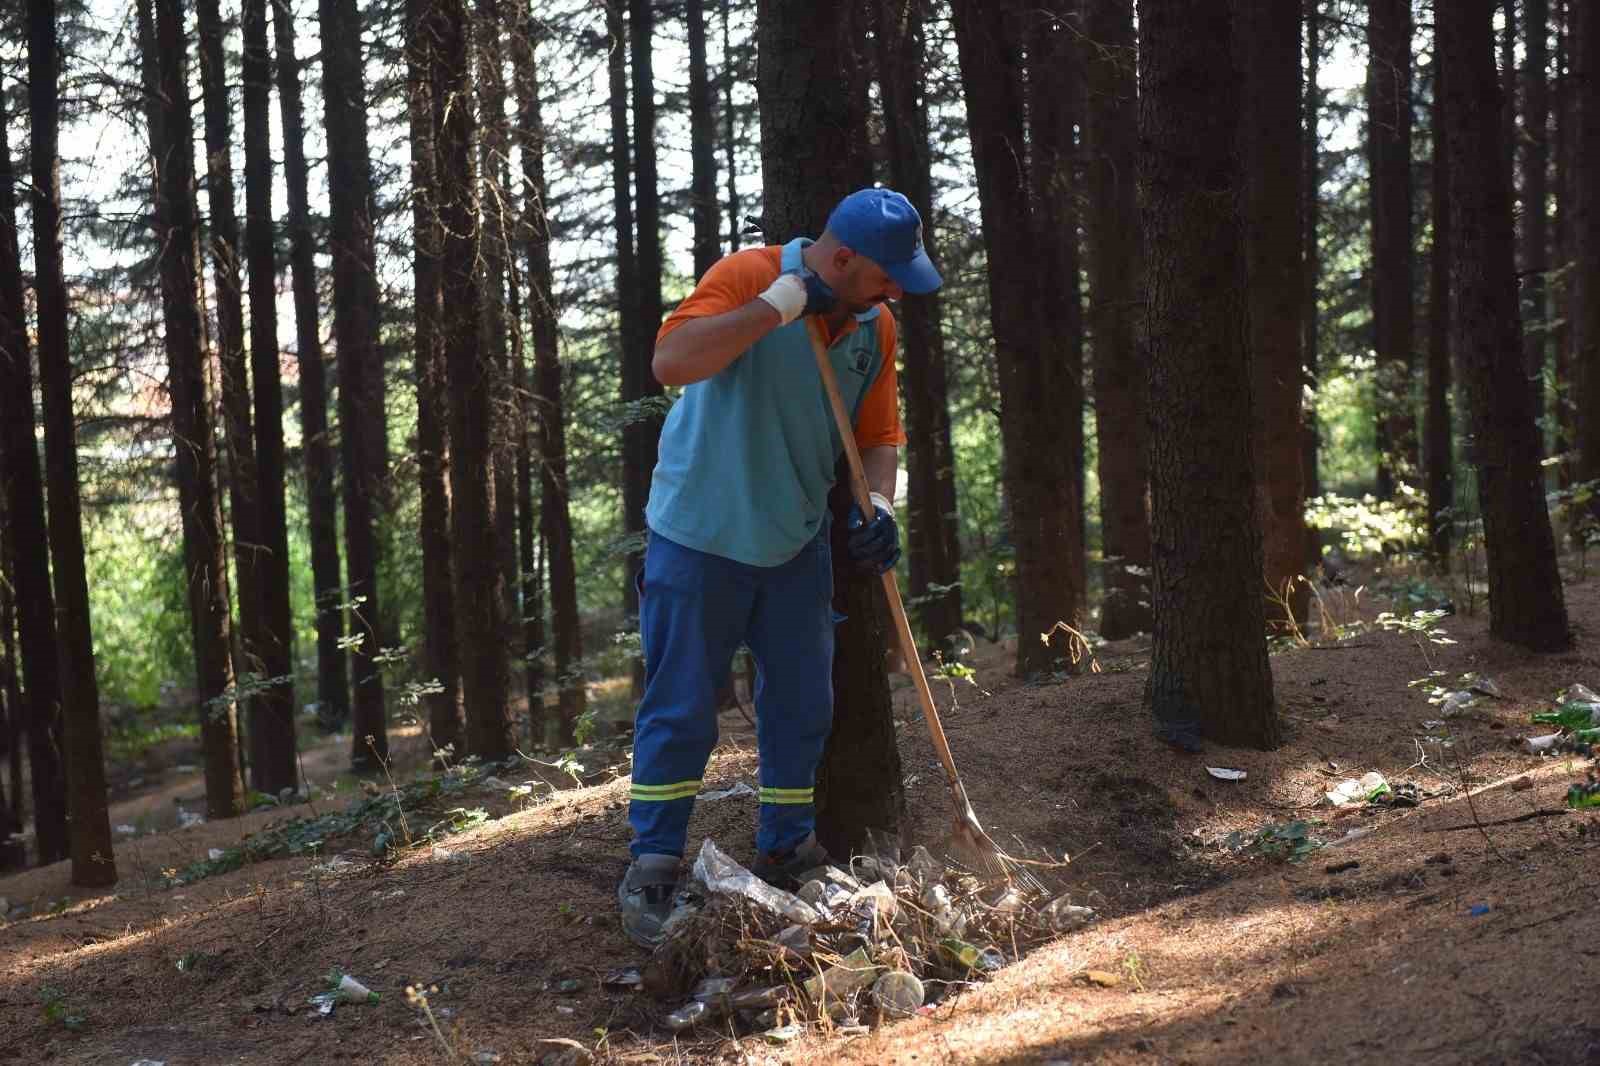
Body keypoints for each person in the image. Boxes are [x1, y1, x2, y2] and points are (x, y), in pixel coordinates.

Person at [617, 187, 942, 946]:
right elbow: (671, 361)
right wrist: (777, 306)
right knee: (682, 707)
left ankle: (787, 850)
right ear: (839, 258)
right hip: (698, 536)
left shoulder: (874, 325)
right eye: (885, 275)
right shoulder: (745, 274)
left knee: (800, 704)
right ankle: (655, 865)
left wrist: (883, 507)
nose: (895, 290)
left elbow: (879, 435)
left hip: (793, 543)